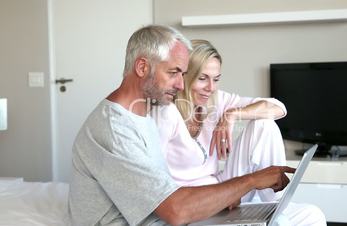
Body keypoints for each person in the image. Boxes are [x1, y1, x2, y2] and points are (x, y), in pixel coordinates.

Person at [68, 25, 296, 226]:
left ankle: (273, 211)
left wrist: (225, 193)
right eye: (174, 73)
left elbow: (166, 198)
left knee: (308, 217)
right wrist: (250, 181)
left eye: (184, 74)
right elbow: (175, 210)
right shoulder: (116, 129)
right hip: (164, 216)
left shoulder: (143, 112)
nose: (180, 84)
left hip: (174, 211)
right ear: (142, 68)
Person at [152, 39, 327, 225]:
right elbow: (158, 185)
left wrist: (233, 114)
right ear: (185, 76)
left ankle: (276, 205)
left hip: (219, 187)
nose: (211, 88)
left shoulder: (216, 101)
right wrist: (219, 197)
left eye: (216, 79)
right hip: (194, 204)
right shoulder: (165, 113)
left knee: (313, 213)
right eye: (202, 78)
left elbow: (278, 108)